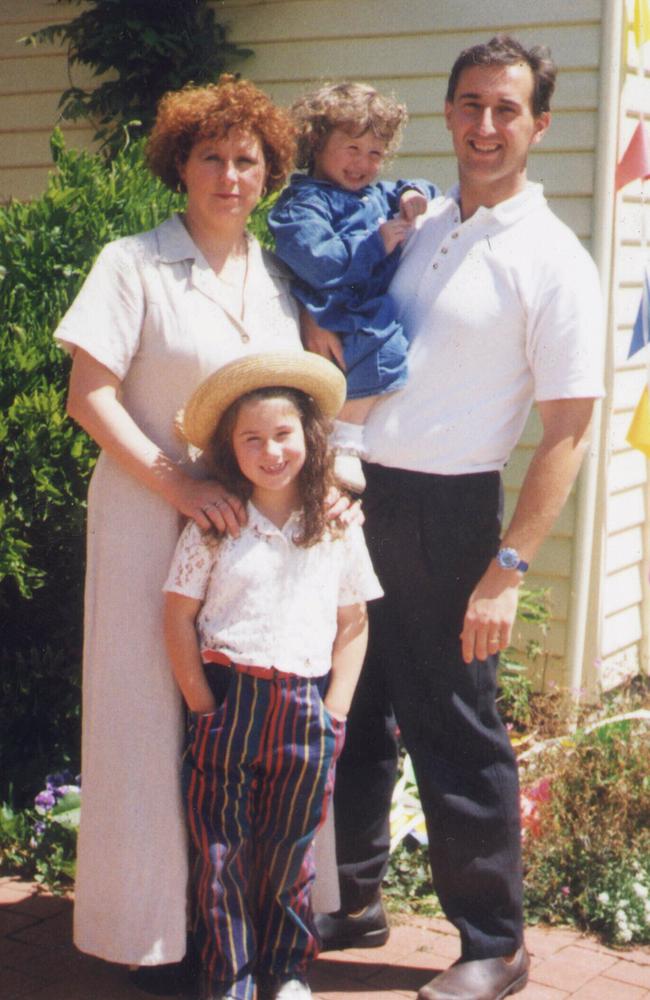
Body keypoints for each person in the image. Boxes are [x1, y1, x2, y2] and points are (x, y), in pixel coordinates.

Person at [307, 35, 605, 1000]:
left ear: (539, 125)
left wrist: (507, 568)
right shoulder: (424, 220)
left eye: (505, 110)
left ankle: (494, 944)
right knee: (350, 710)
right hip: (357, 491)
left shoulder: (553, 260)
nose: (485, 126)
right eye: (470, 105)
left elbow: (568, 430)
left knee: (455, 726)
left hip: (450, 514)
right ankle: (352, 898)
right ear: (447, 112)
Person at [54, 76, 310, 991]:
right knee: (143, 717)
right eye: (212, 156)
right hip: (143, 512)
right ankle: (146, 937)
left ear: (270, 172)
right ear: (180, 164)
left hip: (246, 536)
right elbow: (90, 396)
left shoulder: (278, 274)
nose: (230, 175)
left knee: (230, 723)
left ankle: (228, 927)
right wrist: (177, 481)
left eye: (248, 160)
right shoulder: (131, 262)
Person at [163, 351, 384, 1000]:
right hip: (229, 703)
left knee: (290, 855)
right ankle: (228, 976)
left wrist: (335, 713)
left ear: (309, 437)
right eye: (251, 439)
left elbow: (354, 625)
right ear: (231, 450)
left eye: (283, 434)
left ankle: (285, 971)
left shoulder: (336, 525)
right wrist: (204, 706)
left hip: (306, 712)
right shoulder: (216, 525)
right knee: (221, 855)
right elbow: (178, 619)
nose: (270, 451)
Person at [268, 82, 439, 493]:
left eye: (375, 153)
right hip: (331, 305)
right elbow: (318, 260)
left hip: (359, 307)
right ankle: (342, 441)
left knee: (383, 348)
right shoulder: (305, 202)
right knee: (379, 348)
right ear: (316, 142)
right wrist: (374, 244)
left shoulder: (372, 195)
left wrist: (413, 194)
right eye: (352, 149)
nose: (363, 163)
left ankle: (337, 437)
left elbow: (425, 189)